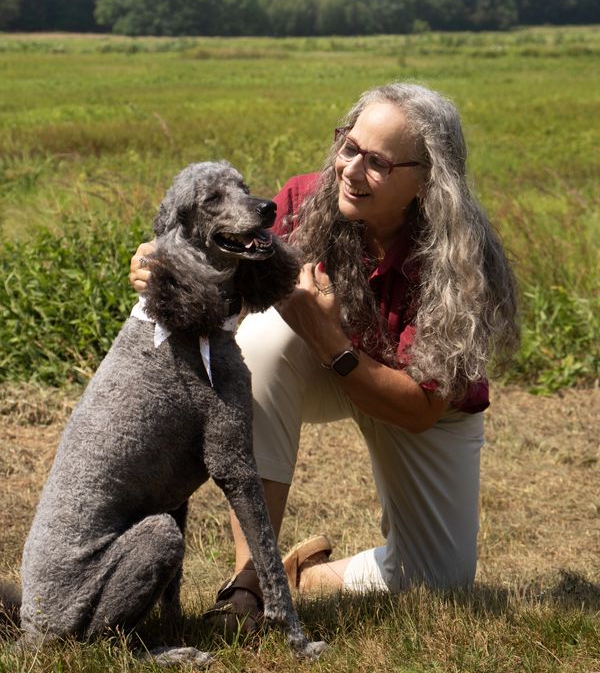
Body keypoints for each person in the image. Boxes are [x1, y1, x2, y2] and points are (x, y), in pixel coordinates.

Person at [130, 82, 519, 625]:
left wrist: (331, 341)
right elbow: (221, 250)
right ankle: (254, 586)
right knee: (262, 338)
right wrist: (162, 259)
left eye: (378, 162)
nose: (352, 170)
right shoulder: (304, 202)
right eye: (350, 146)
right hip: (323, 365)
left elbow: (419, 409)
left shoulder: (459, 256)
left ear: (427, 180)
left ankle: (305, 575)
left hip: (416, 401)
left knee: (439, 581)